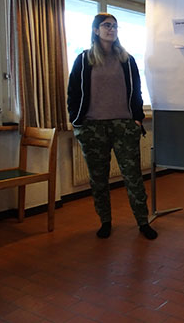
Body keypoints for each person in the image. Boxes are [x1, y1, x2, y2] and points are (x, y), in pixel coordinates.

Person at [67, 13, 158, 240]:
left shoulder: (127, 60)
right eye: (106, 25)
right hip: (92, 127)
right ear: (95, 30)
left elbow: (136, 91)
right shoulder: (84, 60)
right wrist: (77, 122)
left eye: (115, 26)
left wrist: (137, 118)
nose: (112, 29)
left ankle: (143, 222)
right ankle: (105, 221)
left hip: (123, 126)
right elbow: (73, 93)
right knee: (98, 179)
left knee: (133, 177)